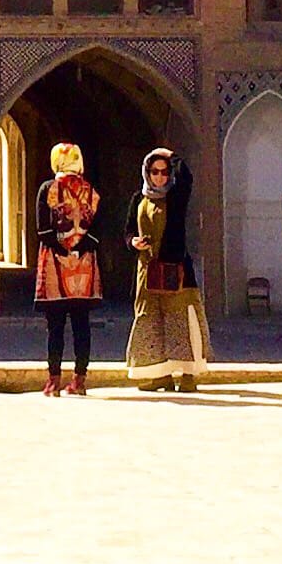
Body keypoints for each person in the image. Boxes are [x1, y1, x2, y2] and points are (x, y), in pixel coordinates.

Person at [124, 147, 212, 391]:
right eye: (155, 172)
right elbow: (128, 230)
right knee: (151, 321)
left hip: (176, 270)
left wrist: (172, 155)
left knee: (182, 321)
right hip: (148, 271)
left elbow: (187, 177)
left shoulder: (175, 196)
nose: (160, 177)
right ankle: (160, 374)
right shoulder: (138, 199)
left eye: (164, 172)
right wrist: (133, 242)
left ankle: (187, 375)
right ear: (147, 173)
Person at [33, 141, 100, 397]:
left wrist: (61, 248)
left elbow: (43, 230)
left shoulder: (48, 189)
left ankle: (53, 382)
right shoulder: (90, 190)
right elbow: (96, 231)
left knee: (55, 325)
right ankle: (79, 381)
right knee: (82, 324)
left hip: (54, 265)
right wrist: (79, 247)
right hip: (84, 266)